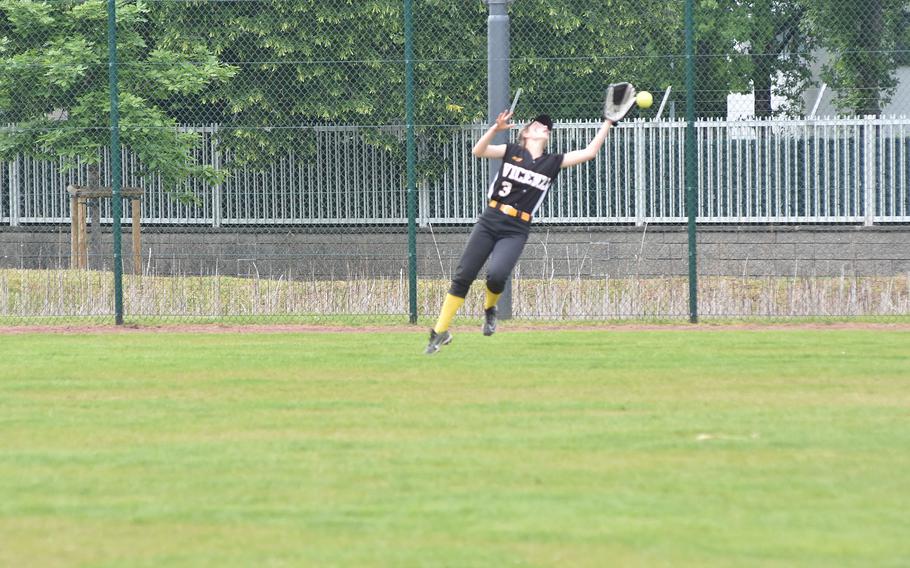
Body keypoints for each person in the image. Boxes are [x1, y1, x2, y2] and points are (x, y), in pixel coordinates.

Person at [424, 83, 637, 354]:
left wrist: (609, 122)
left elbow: (589, 153)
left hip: (516, 228)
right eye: (537, 125)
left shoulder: (552, 162)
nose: (543, 127)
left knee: (497, 275)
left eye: (546, 127)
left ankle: (490, 309)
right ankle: (439, 332)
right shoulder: (511, 151)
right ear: (525, 133)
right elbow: (478, 151)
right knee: (464, 275)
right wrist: (494, 130)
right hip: (490, 220)